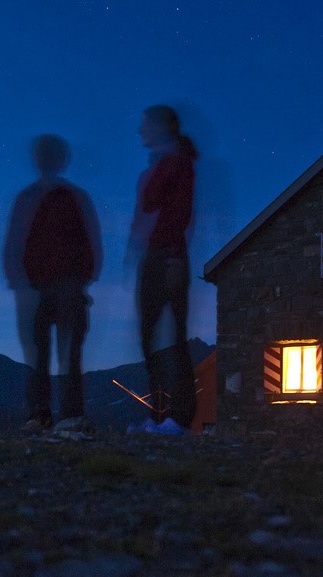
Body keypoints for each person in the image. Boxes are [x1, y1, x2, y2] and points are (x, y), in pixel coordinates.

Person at [3, 134, 102, 431]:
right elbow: (15, 243)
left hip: (63, 286)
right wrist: (19, 281)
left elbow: (88, 243)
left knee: (63, 352)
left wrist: (81, 279)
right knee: (42, 354)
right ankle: (43, 414)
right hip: (37, 287)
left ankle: (64, 414)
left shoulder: (69, 198)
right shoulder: (38, 198)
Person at [128, 104, 198, 432]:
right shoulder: (164, 163)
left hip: (166, 256)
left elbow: (176, 212)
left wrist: (172, 258)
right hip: (158, 255)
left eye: (145, 124)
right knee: (151, 336)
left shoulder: (176, 164)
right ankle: (159, 416)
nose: (140, 130)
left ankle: (177, 418)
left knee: (169, 338)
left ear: (160, 127)